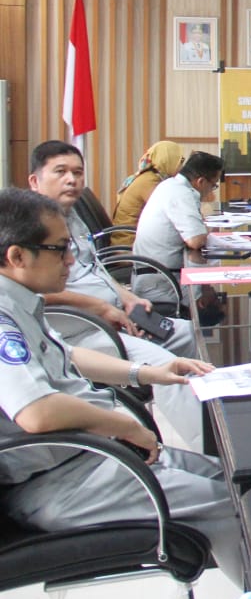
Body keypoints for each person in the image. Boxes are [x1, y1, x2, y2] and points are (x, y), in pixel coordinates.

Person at [0, 188, 244, 585]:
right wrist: (124, 426)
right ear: (17, 256)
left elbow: (67, 355)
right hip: (56, 481)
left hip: (87, 457)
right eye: (60, 249)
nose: (70, 260)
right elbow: (37, 412)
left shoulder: (19, 299)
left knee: (232, 478)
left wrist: (149, 372)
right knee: (230, 505)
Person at [28, 140, 204, 447]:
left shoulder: (71, 217)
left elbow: (94, 267)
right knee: (167, 367)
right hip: (81, 329)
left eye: (77, 172)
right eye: (60, 172)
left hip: (113, 316)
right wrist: (98, 307)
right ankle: (213, 451)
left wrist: (125, 297)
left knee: (192, 334)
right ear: (35, 181)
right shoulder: (27, 227)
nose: (72, 180)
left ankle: (206, 418)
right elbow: (32, 296)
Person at [133, 152, 224, 306]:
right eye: (213, 185)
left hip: (157, 273)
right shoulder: (181, 193)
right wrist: (205, 230)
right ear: (201, 181)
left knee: (206, 285)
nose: (212, 190)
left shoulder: (170, 185)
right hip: (162, 283)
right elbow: (196, 240)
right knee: (204, 301)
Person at [111, 140, 185, 246]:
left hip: (137, 239)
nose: (181, 166)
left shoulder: (151, 177)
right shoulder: (149, 181)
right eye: (179, 161)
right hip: (129, 243)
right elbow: (169, 212)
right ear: (167, 160)